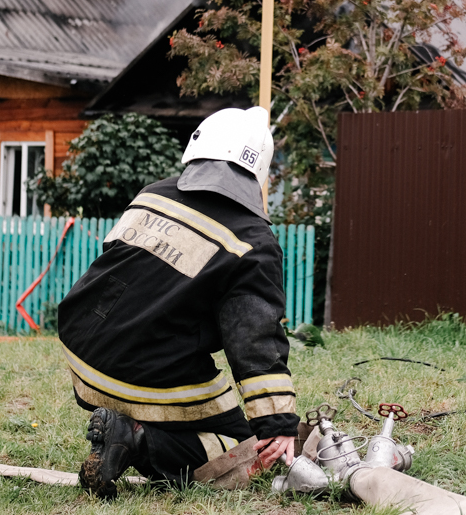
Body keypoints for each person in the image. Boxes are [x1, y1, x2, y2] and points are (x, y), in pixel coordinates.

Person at [56, 106, 298, 495]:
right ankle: (135, 437)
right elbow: (253, 339)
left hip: (82, 349)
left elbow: (118, 267)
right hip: (142, 372)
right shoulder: (253, 242)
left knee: (198, 407)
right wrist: (278, 425)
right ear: (257, 171)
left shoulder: (152, 195)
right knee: (246, 449)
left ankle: (129, 426)